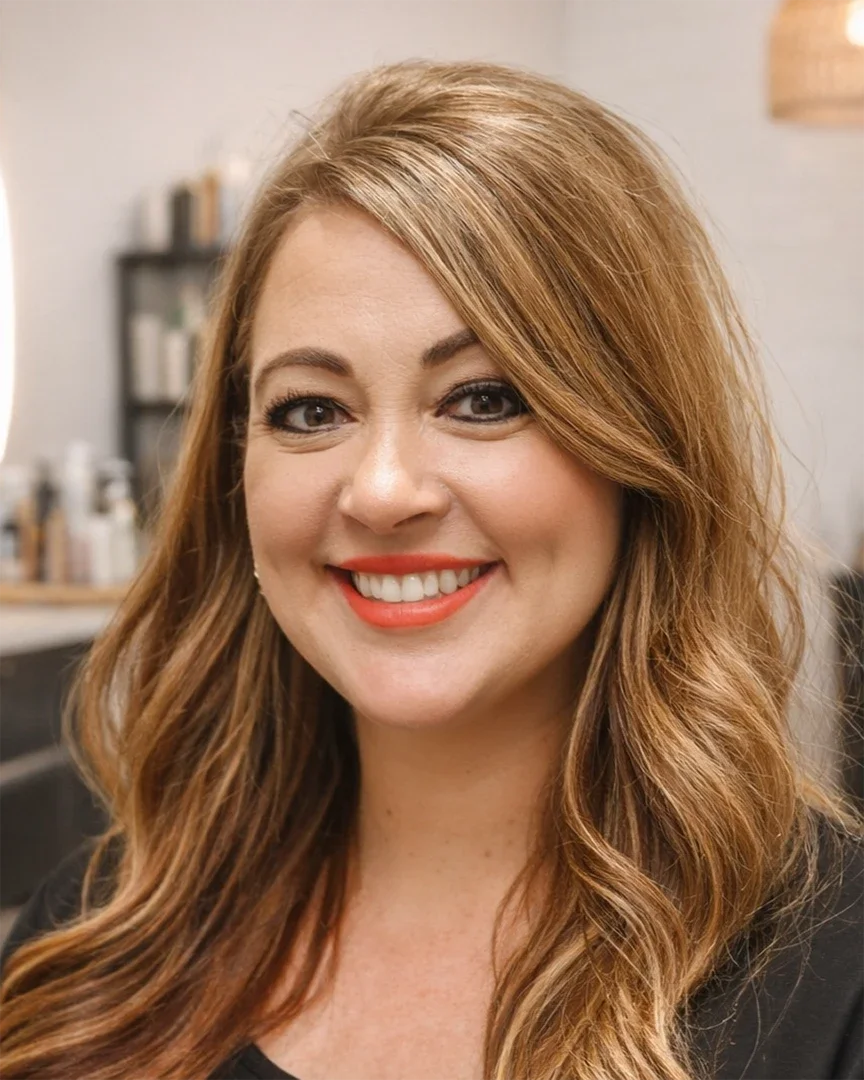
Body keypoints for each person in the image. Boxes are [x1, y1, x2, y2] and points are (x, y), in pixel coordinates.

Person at [1, 57, 863, 1080]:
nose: (382, 490)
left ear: (641, 449)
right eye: (311, 411)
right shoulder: (89, 959)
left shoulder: (829, 989)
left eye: (484, 398)